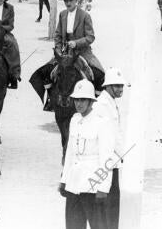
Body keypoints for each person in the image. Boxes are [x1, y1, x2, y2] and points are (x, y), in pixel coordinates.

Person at [59, 79, 115, 229]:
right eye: (76, 99)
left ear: (91, 101)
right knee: (73, 225)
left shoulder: (101, 122)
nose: (79, 103)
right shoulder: (74, 120)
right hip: (73, 184)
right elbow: (70, 153)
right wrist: (64, 179)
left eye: (83, 100)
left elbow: (107, 158)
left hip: (92, 185)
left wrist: (104, 187)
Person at [94, 68, 129, 229]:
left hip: (113, 162)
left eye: (121, 86)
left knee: (111, 209)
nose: (120, 89)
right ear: (107, 86)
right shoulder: (102, 105)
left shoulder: (110, 102)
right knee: (109, 209)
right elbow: (110, 138)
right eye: (116, 86)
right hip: (107, 162)